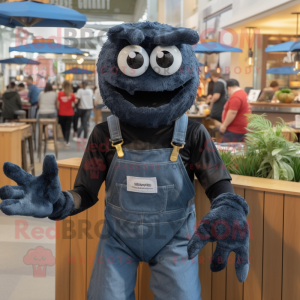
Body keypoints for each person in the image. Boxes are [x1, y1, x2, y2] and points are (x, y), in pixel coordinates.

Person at [0, 22, 249, 300]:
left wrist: (229, 211)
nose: (149, 81)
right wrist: (59, 203)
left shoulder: (191, 133)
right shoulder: (105, 134)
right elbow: (85, 192)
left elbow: (217, 184)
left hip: (177, 239)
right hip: (118, 239)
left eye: (164, 60)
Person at [57, 80, 76, 146]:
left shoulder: (59, 94)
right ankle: (67, 140)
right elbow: (74, 104)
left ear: (63, 86)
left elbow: (57, 105)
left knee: (63, 127)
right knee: (68, 127)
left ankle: (65, 138)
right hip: (70, 114)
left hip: (61, 113)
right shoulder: (72, 95)